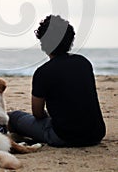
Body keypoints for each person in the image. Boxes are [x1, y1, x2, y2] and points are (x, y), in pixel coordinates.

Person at [8, 15, 106, 147]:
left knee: (13, 117)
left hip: (63, 137)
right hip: (95, 134)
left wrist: (49, 117)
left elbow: (38, 113)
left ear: (43, 43)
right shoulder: (83, 63)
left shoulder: (43, 72)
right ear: (70, 41)